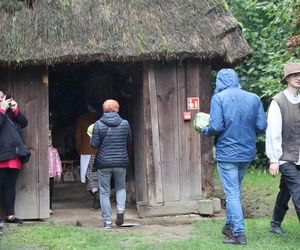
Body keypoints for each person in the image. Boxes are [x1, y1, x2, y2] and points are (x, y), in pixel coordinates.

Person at [202, 69, 267, 245]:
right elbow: (262, 125)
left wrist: (204, 130)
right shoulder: (254, 98)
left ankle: (239, 234)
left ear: (220, 81)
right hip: (246, 153)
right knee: (235, 191)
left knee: (232, 194)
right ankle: (229, 226)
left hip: (227, 153)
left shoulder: (219, 98)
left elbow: (215, 126)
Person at [266, 62, 300, 236]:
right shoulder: (278, 102)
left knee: (286, 190)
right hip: (285, 157)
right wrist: (274, 160)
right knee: (299, 192)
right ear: (287, 78)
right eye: (295, 75)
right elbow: (273, 133)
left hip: (299, 156)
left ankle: (274, 224)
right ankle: (274, 224)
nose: (299, 78)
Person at [91, 99, 132, 229]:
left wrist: (91, 136)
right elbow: (129, 141)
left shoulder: (98, 124)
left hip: (104, 162)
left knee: (104, 191)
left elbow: (94, 145)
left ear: (103, 110)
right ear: (117, 109)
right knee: (120, 187)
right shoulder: (125, 123)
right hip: (121, 161)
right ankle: (120, 211)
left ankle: (107, 222)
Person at [0, 90, 28, 224]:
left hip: (14, 156)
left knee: (10, 188)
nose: (1, 99)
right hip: (1, 156)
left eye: (2, 97)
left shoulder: (9, 114)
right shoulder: (2, 112)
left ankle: (10, 216)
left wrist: (15, 109)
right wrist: (2, 110)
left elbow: (24, 123)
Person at [75, 98, 99, 183]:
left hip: (85, 149)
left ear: (89, 107)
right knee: (99, 171)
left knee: (88, 172)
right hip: (98, 150)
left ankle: (93, 188)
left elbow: (78, 136)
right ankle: (97, 188)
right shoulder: (100, 118)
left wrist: (78, 148)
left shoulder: (82, 119)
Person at [48, 131, 62, 214]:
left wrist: (59, 172)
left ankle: (49, 208)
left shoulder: (54, 151)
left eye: (50, 139)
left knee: (50, 191)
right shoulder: (41, 151)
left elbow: (57, 162)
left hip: (51, 175)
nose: (49, 141)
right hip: (43, 175)